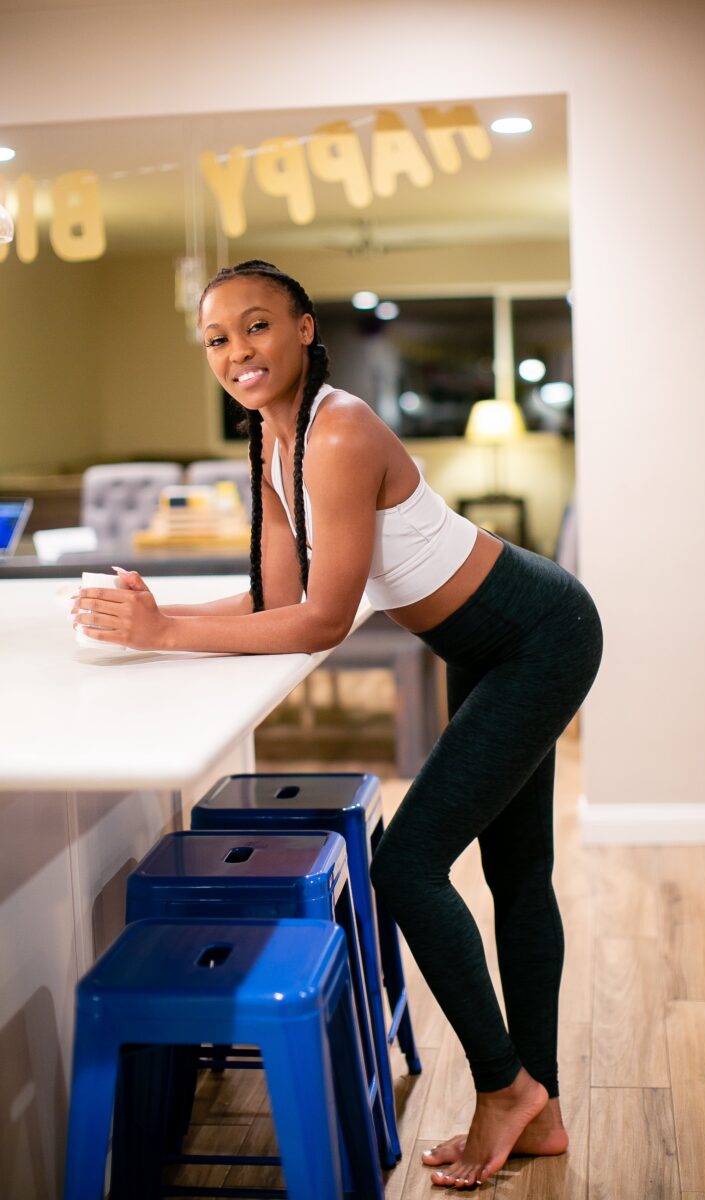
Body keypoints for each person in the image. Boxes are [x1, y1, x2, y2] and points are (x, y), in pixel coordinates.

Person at [73, 259, 603, 1189]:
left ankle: (504, 1088)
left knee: (408, 864)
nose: (237, 350)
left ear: (306, 329)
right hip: (486, 646)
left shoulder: (340, 430)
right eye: (217, 337)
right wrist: (162, 627)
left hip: (542, 634)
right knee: (516, 868)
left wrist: (164, 630)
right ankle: (540, 1107)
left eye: (257, 326)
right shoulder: (272, 442)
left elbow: (324, 618)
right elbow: (280, 597)